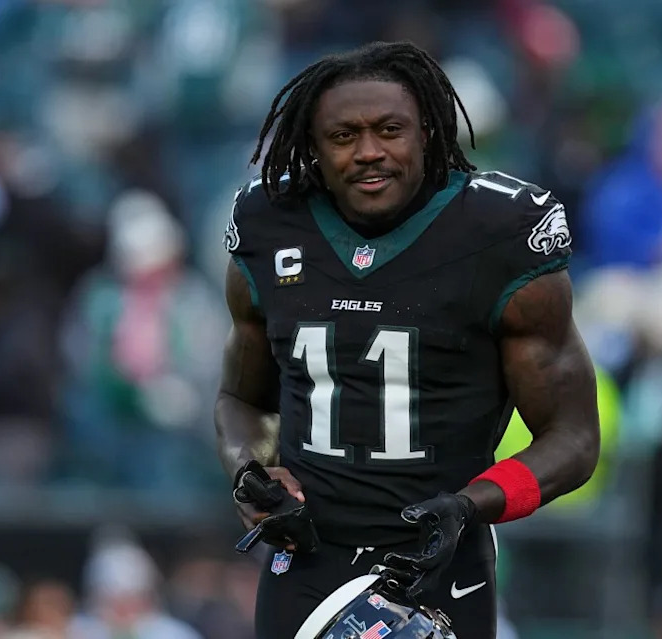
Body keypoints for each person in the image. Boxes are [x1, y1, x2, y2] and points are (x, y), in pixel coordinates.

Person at [215, 40, 600, 639]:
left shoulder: (499, 232)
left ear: (428, 132)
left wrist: (471, 505)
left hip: (436, 562)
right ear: (313, 148)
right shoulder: (270, 223)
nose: (369, 152)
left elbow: (574, 439)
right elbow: (242, 402)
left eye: (390, 130)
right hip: (307, 557)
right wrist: (251, 472)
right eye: (343, 136)